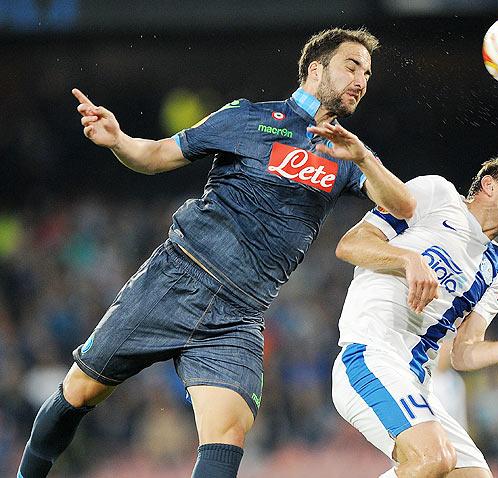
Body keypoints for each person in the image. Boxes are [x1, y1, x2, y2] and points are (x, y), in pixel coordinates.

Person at [17, 27, 416, 478]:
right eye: (351, 65)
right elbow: (158, 155)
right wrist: (118, 140)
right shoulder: (247, 118)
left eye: (367, 72)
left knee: (227, 434)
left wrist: (363, 159)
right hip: (178, 276)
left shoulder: (350, 154)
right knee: (80, 390)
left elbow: (402, 205)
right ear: (316, 69)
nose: (362, 79)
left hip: (239, 315)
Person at [331, 159, 498, 478]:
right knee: (432, 458)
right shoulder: (436, 195)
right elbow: (350, 244)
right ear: (490, 185)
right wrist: (408, 259)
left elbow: (463, 353)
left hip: (417, 383)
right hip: (369, 355)